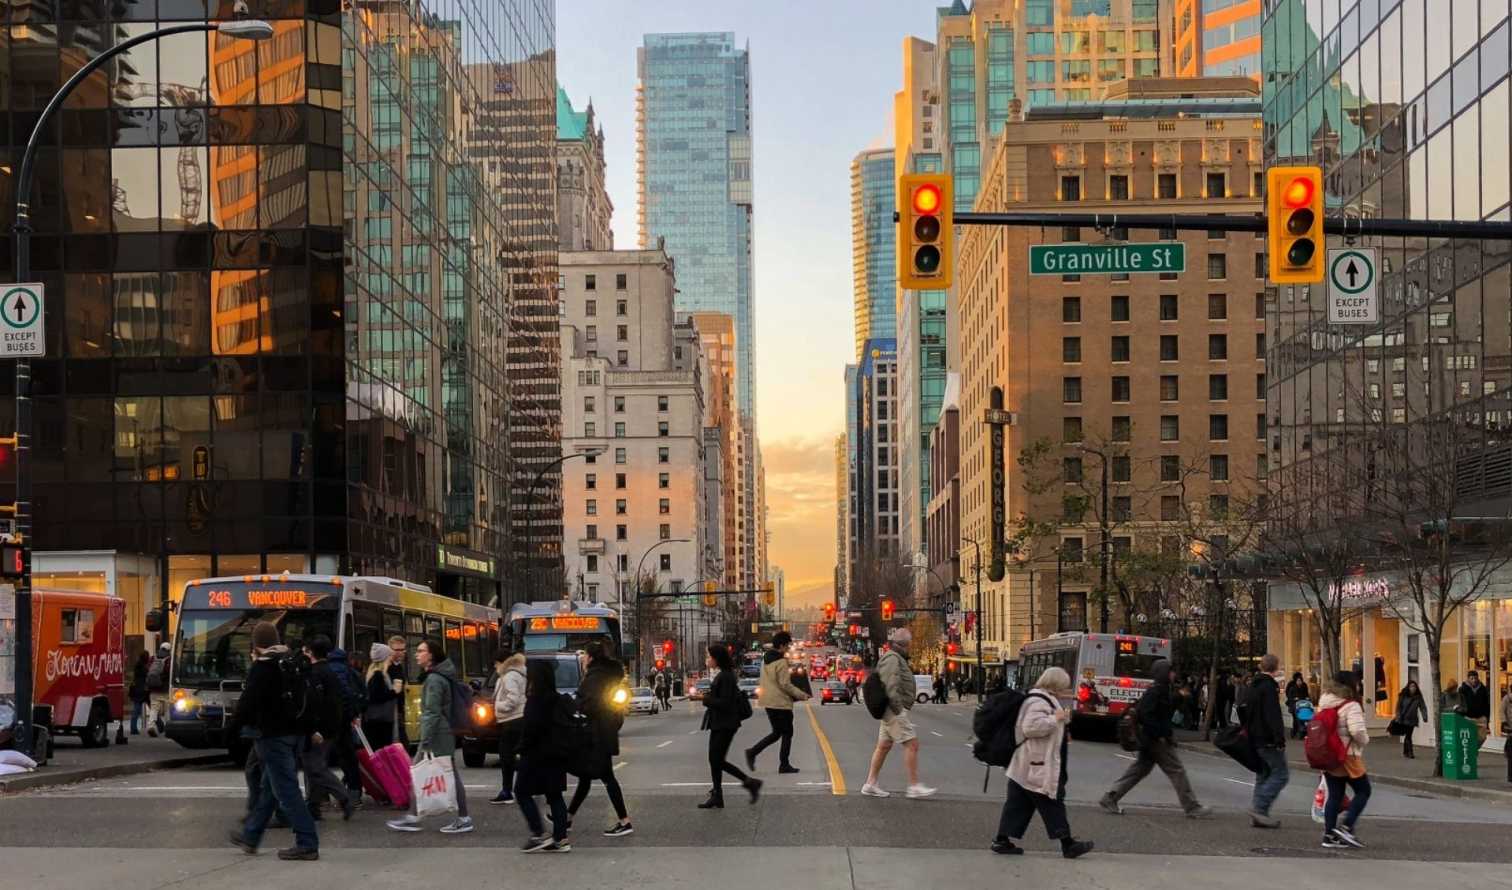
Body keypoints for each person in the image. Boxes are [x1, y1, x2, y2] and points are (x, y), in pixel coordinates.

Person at [227, 621, 319, 861]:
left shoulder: (263, 667)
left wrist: (233, 729)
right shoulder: (292, 661)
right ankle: (251, 836)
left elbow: (248, 703)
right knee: (270, 789)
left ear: (256, 645)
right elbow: (310, 698)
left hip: (272, 736)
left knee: (287, 790)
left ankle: (307, 842)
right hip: (296, 734)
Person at [991, 667, 1094, 859]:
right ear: (1055, 684)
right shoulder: (1039, 701)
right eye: (1063, 684)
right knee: (1051, 800)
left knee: (1018, 804)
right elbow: (1031, 727)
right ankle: (1067, 843)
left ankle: (1001, 840)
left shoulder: (1039, 698)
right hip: (1036, 762)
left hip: (1026, 763)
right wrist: (1056, 718)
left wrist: (1062, 729)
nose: (1065, 688)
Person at [1099, 658, 1211, 819]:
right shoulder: (1156, 691)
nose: (1173, 674)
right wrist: (1161, 735)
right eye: (1171, 671)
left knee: (1138, 770)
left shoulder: (1161, 689)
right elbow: (1147, 715)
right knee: (1176, 770)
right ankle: (1192, 806)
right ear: (1164, 673)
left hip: (1150, 739)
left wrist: (1179, 697)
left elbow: (1163, 710)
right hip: (1155, 740)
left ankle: (1110, 797)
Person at [386, 638, 472, 834]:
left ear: (431, 656)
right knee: (448, 773)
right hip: (443, 732)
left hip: (436, 734)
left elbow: (432, 711)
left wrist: (424, 738)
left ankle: (416, 816)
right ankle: (456, 817)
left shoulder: (434, 679)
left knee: (420, 771)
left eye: (421, 651)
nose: (416, 654)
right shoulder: (440, 676)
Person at [565, 641, 634, 836]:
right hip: (604, 730)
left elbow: (589, 704)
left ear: (591, 657)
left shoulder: (594, 678)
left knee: (606, 777)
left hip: (597, 733)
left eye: (585, 655)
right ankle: (568, 817)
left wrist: (576, 703)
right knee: (586, 778)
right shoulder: (608, 675)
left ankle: (624, 821)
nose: (583, 659)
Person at [860, 627, 936, 799]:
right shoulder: (892, 659)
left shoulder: (894, 657)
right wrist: (898, 709)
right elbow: (890, 685)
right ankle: (914, 786)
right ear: (903, 644)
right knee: (912, 744)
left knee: (884, 746)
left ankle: (870, 783)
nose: (909, 648)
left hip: (890, 710)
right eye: (909, 645)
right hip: (892, 710)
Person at [515, 658, 571, 853]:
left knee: (521, 791)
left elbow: (530, 730)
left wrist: (520, 749)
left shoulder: (535, 701)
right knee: (555, 795)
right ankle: (561, 838)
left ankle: (539, 833)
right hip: (557, 754)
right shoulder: (557, 699)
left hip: (535, 754)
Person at [699, 643, 761, 808]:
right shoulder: (724, 675)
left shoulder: (726, 676)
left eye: (709, 657)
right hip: (720, 723)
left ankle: (749, 782)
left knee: (717, 760)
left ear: (716, 659)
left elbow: (726, 703)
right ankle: (717, 795)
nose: (707, 660)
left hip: (725, 724)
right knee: (715, 760)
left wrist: (706, 700)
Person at [300, 636, 354, 822]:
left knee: (315, 767)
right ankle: (313, 807)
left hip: (320, 730)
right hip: (332, 727)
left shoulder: (315, 674)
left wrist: (314, 729)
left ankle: (344, 797)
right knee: (315, 767)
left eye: (305, 650)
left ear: (311, 653)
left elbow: (314, 704)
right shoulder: (330, 671)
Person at [745, 630, 811, 775]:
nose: (788, 649)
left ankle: (753, 752)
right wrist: (801, 695)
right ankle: (783, 764)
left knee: (777, 733)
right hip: (780, 702)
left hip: (768, 701)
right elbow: (785, 684)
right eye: (787, 646)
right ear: (781, 645)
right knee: (787, 733)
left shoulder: (765, 659)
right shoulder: (781, 661)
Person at [1319, 671, 1371, 849]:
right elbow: (1356, 731)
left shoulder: (1325, 701)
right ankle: (1346, 827)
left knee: (1335, 795)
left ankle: (1329, 835)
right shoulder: (1352, 705)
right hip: (1348, 754)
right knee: (1364, 790)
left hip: (1330, 754)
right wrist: (1365, 740)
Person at [1244, 654, 1289, 828]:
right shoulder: (1269, 687)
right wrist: (1279, 738)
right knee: (1280, 774)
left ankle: (1258, 812)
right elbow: (1273, 715)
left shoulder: (1253, 686)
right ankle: (1260, 808)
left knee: (1263, 774)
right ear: (1276, 667)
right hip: (1267, 738)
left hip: (1255, 736)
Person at [490, 650, 527, 805]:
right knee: (516, 756)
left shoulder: (509, 676)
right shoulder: (518, 673)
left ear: (501, 663)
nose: (494, 667)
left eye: (495, 664)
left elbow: (512, 699)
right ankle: (519, 788)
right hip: (518, 719)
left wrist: (497, 706)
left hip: (512, 720)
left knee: (507, 757)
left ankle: (508, 790)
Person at [363, 642, 401, 748]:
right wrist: (394, 691)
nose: (391, 659)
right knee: (382, 751)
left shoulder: (374, 673)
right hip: (380, 721)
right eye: (389, 656)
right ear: (384, 658)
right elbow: (377, 697)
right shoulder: (378, 675)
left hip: (376, 720)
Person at [1394, 680, 1429, 759]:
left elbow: (1423, 706)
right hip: (1404, 718)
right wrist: (1398, 716)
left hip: (1413, 719)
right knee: (1408, 735)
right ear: (1408, 687)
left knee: (1408, 735)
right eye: (1411, 686)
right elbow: (1398, 707)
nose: (1413, 688)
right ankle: (1410, 752)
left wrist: (1425, 716)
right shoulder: (1403, 695)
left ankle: (1405, 751)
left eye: (1414, 686)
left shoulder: (1418, 697)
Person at [144, 642, 171, 737]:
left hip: (153, 688)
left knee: (154, 709)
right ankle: (168, 728)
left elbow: (147, 669)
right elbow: (169, 672)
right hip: (165, 688)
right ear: (169, 650)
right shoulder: (169, 659)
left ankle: (151, 725)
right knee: (168, 709)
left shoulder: (153, 658)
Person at [386, 635, 409, 745]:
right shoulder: (387, 667)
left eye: (402, 649)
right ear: (390, 650)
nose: (400, 652)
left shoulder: (399, 666)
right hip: (391, 711)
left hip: (399, 710)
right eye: (397, 650)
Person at [1460, 671, 1492, 742]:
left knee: (1482, 738)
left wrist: (1487, 718)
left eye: (1475, 678)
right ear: (1468, 679)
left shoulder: (1483, 689)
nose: (1474, 680)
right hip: (1468, 717)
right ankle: (1472, 752)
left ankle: (1475, 749)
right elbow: (1460, 703)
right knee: (1469, 739)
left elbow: (1487, 704)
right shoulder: (1462, 689)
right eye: (1472, 678)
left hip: (1481, 718)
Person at [128, 651, 150, 736]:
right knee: (152, 709)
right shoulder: (142, 667)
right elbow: (146, 676)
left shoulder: (138, 665)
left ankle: (133, 728)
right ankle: (160, 726)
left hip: (138, 691)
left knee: (136, 710)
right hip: (142, 691)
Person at [1285, 672, 1309, 739]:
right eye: (1298, 679)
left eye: (1301, 679)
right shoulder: (1291, 685)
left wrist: (1307, 698)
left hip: (1303, 704)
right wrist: (1294, 698)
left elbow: (1306, 694)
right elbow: (1288, 694)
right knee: (1296, 719)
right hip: (1294, 705)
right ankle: (1295, 731)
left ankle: (1301, 731)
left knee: (1302, 718)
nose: (1300, 681)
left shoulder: (1304, 685)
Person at [1501, 685, 1512, 783]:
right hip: (1510, 728)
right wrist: (1504, 723)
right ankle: (1510, 776)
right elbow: (1502, 711)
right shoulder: (1506, 699)